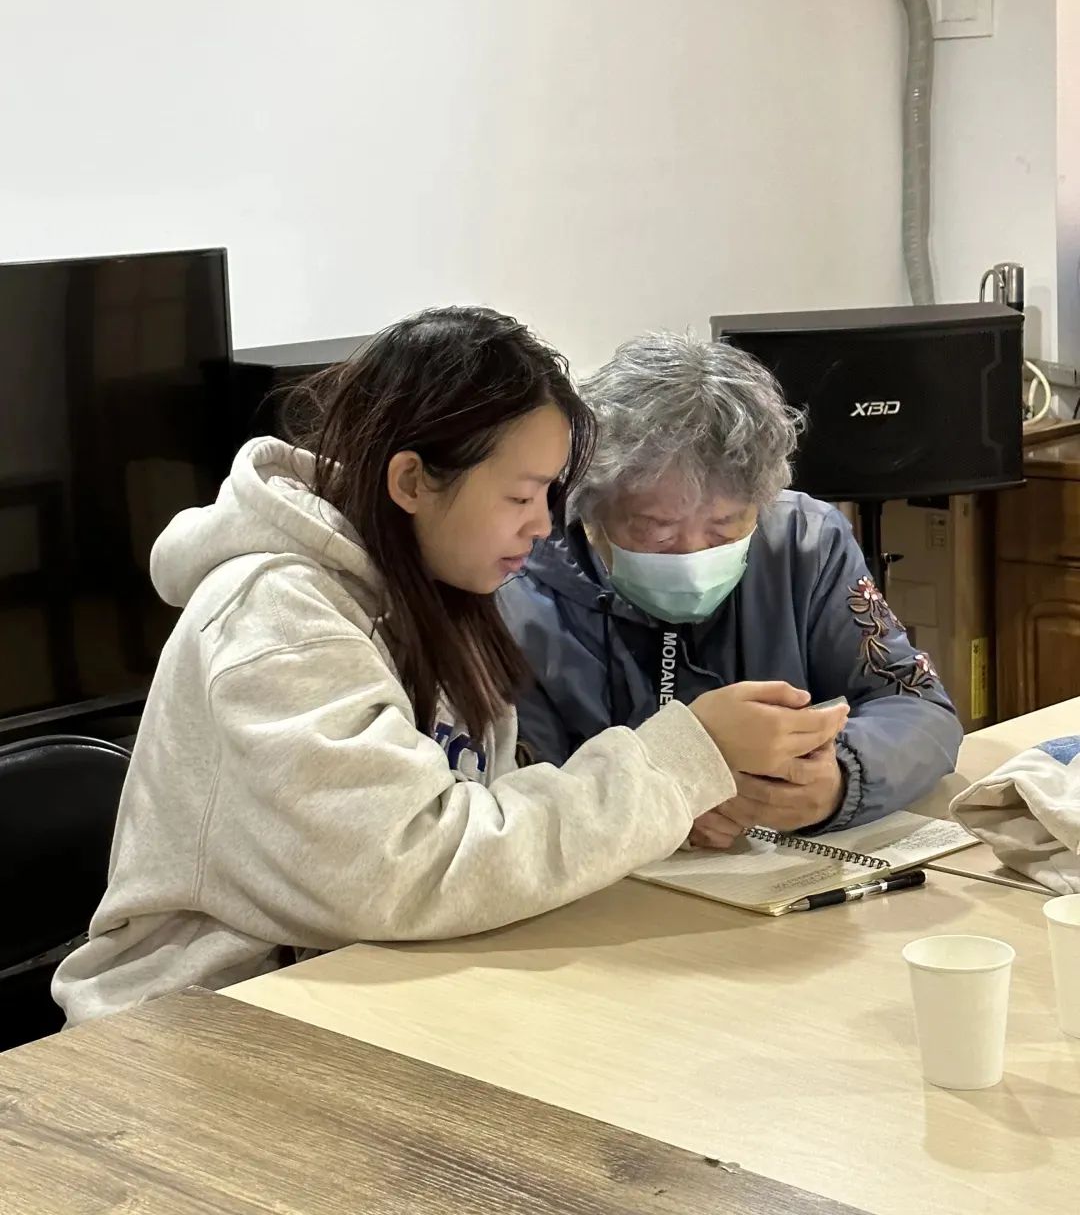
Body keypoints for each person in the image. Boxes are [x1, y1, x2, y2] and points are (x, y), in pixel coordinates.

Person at [54, 308, 845, 1025]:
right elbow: (407, 867)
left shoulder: (438, 590)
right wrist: (685, 758)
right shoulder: (279, 615)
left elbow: (482, 818)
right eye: (522, 496)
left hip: (367, 990)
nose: (544, 526)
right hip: (197, 1027)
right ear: (411, 482)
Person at [500, 331, 963, 847]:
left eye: (724, 528)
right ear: (589, 505)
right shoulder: (516, 587)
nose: (692, 555)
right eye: (656, 530)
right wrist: (654, 799)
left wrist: (839, 779)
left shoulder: (806, 542)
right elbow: (515, 798)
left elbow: (919, 707)